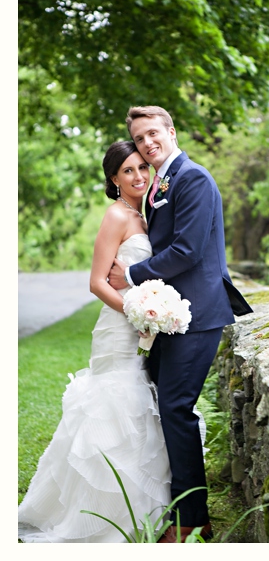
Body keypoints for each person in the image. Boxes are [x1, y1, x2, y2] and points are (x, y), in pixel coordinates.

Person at [108, 105, 253, 543]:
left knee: (175, 408)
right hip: (172, 314)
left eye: (154, 134)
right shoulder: (160, 184)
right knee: (163, 403)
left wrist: (130, 276)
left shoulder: (194, 179)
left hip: (200, 314)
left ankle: (191, 518)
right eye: (139, 139)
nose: (147, 143)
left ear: (170, 131)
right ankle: (183, 509)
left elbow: (188, 251)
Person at [18, 141, 172, 542]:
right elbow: (96, 282)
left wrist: (152, 314)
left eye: (142, 167)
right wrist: (137, 314)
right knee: (113, 409)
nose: (139, 176)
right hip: (118, 328)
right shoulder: (116, 216)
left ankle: (141, 508)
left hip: (142, 325)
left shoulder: (148, 215)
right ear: (114, 180)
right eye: (128, 171)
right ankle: (100, 516)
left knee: (138, 409)